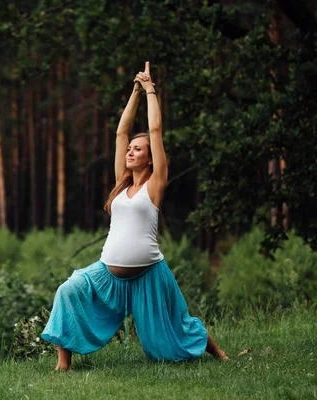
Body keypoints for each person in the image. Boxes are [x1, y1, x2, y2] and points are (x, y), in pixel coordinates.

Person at [41, 62, 229, 371]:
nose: (130, 151)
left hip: (150, 274)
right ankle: (64, 365)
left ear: (151, 157)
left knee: (176, 326)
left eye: (138, 149)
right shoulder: (121, 184)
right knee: (68, 290)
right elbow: (120, 131)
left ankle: (220, 356)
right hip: (108, 274)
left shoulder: (155, 186)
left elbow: (155, 130)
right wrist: (134, 92)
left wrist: (151, 89)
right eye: (130, 149)